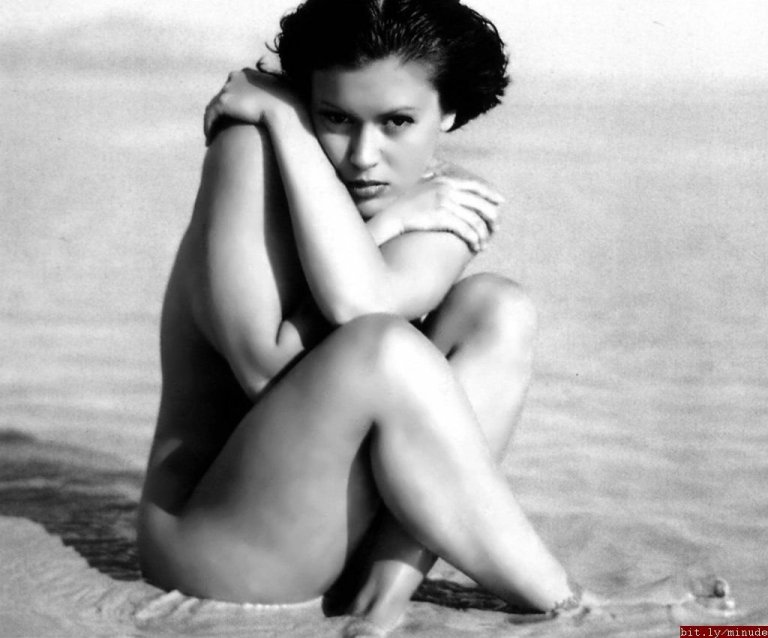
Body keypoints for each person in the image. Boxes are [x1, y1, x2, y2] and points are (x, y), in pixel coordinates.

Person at [137, 0, 732, 634]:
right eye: (334, 117)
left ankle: (380, 598)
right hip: (214, 545)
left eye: (397, 122)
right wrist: (356, 190)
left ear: (447, 113)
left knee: (496, 308)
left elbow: (358, 305)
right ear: (304, 101)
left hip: (330, 537)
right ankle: (569, 603)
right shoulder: (251, 152)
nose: (364, 155)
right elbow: (267, 366)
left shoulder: (444, 197)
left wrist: (391, 218)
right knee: (386, 349)